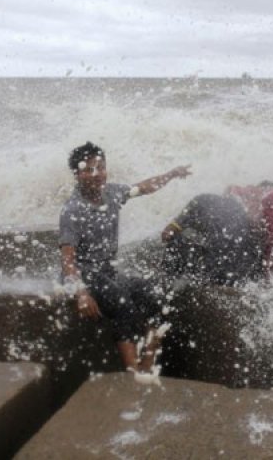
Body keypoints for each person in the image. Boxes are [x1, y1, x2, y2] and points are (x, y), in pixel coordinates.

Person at [59, 141, 190, 372]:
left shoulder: (112, 193)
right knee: (122, 303)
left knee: (156, 294)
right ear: (77, 175)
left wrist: (171, 174)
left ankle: (146, 365)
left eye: (101, 167)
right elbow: (68, 259)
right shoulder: (73, 210)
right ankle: (133, 373)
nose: (97, 174)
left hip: (107, 273)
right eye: (89, 169)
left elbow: (144, 187)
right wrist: (81, 293)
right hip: (84, 273)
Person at [160, 193, 260, 286]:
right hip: (232, 273)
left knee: (177, 243)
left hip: (209, 268)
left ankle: (166, 280)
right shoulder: (242, 215)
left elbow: (167, 234)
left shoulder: (201, 200)